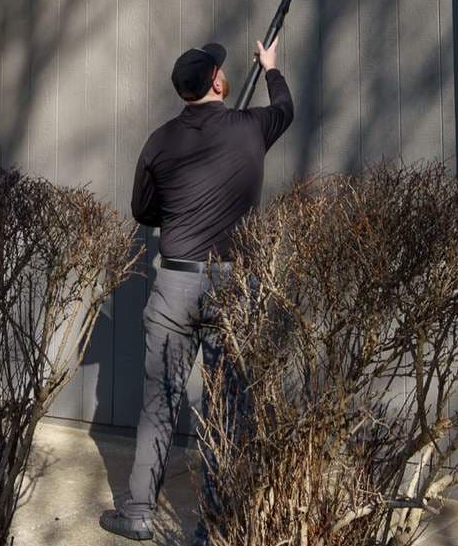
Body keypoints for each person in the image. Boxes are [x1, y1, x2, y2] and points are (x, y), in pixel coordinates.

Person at [99, 38, 295, 543]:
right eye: (221, 68)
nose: (225, 71)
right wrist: (271, 69)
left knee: (158, 402)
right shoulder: (251, 128)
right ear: (215, 82)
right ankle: (215, 525)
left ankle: (139, 512)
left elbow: (144, 211)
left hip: (175, 283)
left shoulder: (160, 141)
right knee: (227, 408)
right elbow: (285, 109)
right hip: (234, 284)